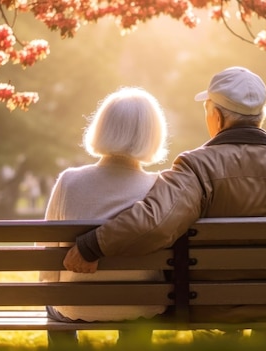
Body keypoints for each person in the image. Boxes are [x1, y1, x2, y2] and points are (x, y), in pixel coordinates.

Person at [63, 66, 266, 338]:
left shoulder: (195, 167)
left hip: (212, 307)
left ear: (216, 116)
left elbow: (155, 222)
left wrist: (92, 245)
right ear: (261, 117)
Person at [39, 86, 169, 345]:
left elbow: (47, 257)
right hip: (139, 306)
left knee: (55, 308)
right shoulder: (161, 186)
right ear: (152, 135)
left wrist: (52, 290)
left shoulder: (69, 182)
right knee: (140, 309)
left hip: (73, 306)